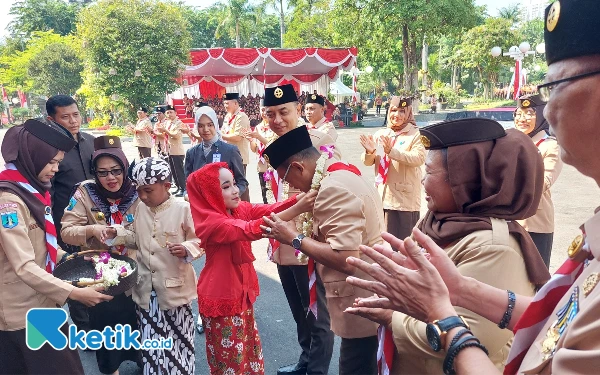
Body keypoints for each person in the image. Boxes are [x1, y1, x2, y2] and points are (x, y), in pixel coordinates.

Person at [345, 2, 600, 374]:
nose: (546, 111)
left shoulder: (494, 243)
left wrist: (435, 315)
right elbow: (559, 323)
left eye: (555, 86)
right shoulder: (437, 223)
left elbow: (485, 342)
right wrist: (460, 291)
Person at [347, 118, 550, 374]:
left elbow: (475, 337)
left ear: (463, 181)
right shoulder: (440, 223)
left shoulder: (494, 244)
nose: (422, 182)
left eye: (430, 172)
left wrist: (392, 315)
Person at [262, 125, 384, 375]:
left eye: (287, 179)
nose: (290, 186)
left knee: (356, 367)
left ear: (298, 167)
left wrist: (294, 238)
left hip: (361, 301)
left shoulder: (332, 188)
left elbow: (347, 257)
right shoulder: (340, 173)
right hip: (369, 294)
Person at [0, 119, 112, 375]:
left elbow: (43, 246)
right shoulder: (9, 201)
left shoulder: (31, 190)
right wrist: (74, 293)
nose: (56, 169)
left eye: (58, 162)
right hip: (22, 312)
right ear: (32, 156)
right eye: (51, 162)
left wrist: (82, 260)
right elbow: (24, 265)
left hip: (44, 300)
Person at [186, 162, 315, 375]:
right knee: (231, 365)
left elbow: (269, 210)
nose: (236, 190)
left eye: (234, 184)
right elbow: (252, 229)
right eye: (226, 186)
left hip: (240, 295)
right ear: (209, 194)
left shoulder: (236, 209)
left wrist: (298, 199)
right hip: (223, 299)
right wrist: (300, 207)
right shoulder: (213, 223)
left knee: (248, 357)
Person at [251, 84, 338, 375]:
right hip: (280, 239)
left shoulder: (317, 140)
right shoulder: (269, 144)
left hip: (305, 238)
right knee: (298, 310)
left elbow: (328, 190)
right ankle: (305, 361)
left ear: (298, 110)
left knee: (316, 311)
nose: (276, 120)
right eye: (270, 114)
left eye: (283, 112)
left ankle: (317, 370)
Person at [103, 157, 203, 375]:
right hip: (146, 291)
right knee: (151, 342)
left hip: (175, 290)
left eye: (148, 190)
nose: (142, 196)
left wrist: (187, 248)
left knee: (179, 339)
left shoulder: (183, 208)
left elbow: (200, 240)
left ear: (167, 186)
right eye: (139, 191)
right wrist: (117, 233)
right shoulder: (141, 209)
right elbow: (135, 238)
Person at [60, 136, 140, 375]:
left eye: (116, 170)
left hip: (136, 276)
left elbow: (151, 232)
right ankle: (110, 369)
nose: (110, 178)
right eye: (103, 172)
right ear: (94, 172)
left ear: (125, 167)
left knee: (138, 326)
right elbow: (66, 231)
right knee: (105, 329)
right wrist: (92, 230)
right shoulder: (85, 192)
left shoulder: (138, 191)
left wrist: (122, 234)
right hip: (100, 277)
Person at [46, 94, 95, 333]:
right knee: (76, 275)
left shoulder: (92, 142)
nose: (73, 121)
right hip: (66, 227)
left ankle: (103, 323)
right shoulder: (48, 153)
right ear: (51, 120)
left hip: (97, 223)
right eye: (65, 117)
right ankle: (85, 330)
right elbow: (48, 195)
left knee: (101, 270)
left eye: (75, 114)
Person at [360, 96, 425, 242]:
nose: (397, 115)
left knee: (403, 246)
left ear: (408, 113)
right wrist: (370, 152)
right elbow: (368, 162)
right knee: (381, 243)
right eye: (394, 110)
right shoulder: (382, 134)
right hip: (382, 197)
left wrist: (392, 151)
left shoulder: (416, 134)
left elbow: (418, 158)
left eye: (402, 111)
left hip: (403, 202)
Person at [514, 94, 563, 268]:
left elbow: (543, 182)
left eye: (529, 113)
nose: (522, 119)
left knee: (536, 279)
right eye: (519, 113)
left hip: (535, 223)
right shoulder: (509, 142)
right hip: (509, 222)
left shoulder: (550, 146)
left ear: (542, 115)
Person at [184, 106, 248, 196]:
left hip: (224, 207)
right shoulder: (192, 153)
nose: (206, 130)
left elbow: (241, 182)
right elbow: (188, 183)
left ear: (215, 124)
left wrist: (232, 194)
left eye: (210, 125)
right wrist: (187, 194)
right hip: (201, 207)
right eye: (201, 126)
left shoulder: (230, 151)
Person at [221, 93, 251, 201]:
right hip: (228, 155)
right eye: (224, 103)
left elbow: (238, 137)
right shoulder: (227, 116)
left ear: (235, 103)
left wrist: (220, 136)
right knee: (231, 184)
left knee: (240, 184)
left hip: (239, 156)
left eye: (227, 103)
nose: (225, 105)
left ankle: (246, 209)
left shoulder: (241, 116)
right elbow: (225, 131)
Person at [248, 100, 274, 204]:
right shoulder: (258, 127)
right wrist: (251, 141)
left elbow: (274, 145)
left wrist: (259, 137)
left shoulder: (276, 126)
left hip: (274, 165)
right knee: (265, 195)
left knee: (276, 193)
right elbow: (254, 149)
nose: (264, 112)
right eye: (262, 110)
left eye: (267, 110)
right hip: (262, 166)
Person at [161, 104, 188, 197]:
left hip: (177, 151)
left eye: (171, 112)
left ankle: (184, 188)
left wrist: (165, 130)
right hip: (169, 150)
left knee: (179, 171)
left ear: (176, 113)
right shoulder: (167, 123)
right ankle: (178, 187)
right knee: (173, 170)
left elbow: (175, 135)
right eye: (167, 112)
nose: (169, 114)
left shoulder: (179, 123)